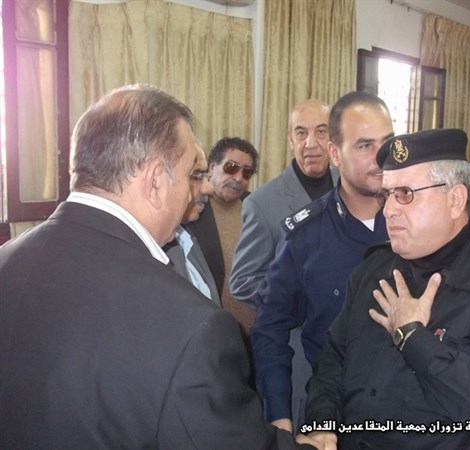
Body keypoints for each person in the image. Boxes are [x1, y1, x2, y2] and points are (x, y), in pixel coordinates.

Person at [0, 84, 320, 450]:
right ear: (155, 182)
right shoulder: (191, 326)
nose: (201, 189)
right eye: (191, 174)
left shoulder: (7, 259)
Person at [304, 128, 470, 450]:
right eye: (386, 194)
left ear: (455, 200)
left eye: (405, 193)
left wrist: (413, 337)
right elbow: (332, 360)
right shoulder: (374, 268)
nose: (388, 209)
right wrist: (322, 424)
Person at [252, 91, 393, 433]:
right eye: (365, 145)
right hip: (334, 409)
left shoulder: (417, 221)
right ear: (335, 153)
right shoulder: (306, 236)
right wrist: (279, 416)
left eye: (387, 143)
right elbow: (270, 328)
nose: (381, 157)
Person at [230, 99, 339, 306]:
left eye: (321, 132)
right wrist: (299, 302)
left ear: (332, 137)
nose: (311, 143)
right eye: (301, 133)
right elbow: (243, 282)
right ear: (291, 140)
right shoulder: (261, 203)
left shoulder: (348, 186)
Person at [187, 137, 258, 335]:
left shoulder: (256, 207)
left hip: (255, 330)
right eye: (231, 167)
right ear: (211, 168)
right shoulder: (192, 211)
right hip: (210, 330)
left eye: (246, 172)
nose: (238, 178)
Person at [163, 148, 220, 304]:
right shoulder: (143, 252)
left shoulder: (186, 238)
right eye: (196, 176)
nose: (209, 188)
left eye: (205, 176)